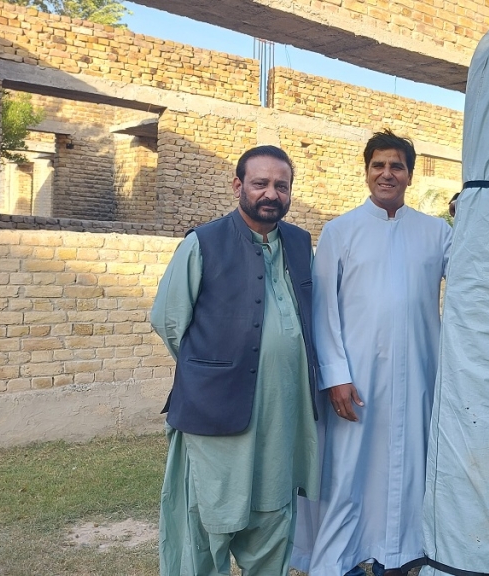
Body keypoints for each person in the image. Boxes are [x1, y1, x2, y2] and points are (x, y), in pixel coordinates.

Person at [152, 145, 320, 576]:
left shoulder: (300, 244)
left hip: (281, 415)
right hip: (214, 412)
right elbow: (169, 320)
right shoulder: (203, 242)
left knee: (273, 514)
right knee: (204, 519)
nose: (271, 194)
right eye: (260, 183)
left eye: (281, 186)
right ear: (238, 186)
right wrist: (212, 369)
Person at [293, 129, 452, 576]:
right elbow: (323, 310)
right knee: (349, 472)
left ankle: (400, 554)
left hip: (418, 375)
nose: (387, 173)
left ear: (410, 175)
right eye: (378, 165)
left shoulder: (437, 232)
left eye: (396, 166)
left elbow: (472, 279)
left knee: (409, 468)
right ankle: (339, 559)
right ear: (366, 172)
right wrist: (336, 376)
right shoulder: (340, 230)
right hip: (356, 381)